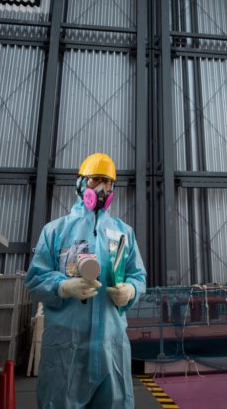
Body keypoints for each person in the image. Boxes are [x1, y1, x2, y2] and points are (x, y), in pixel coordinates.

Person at [25, 152, 147, 409]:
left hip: (111, 349)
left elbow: (138, 276)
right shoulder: (56, 230)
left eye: (108, 182)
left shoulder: (124, 233)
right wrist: (62, 286)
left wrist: (131, 290)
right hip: (66, 350)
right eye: (95, 180)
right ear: (80, 184)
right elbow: (35, 279)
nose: (102, 188)